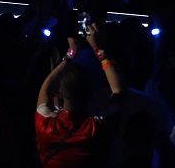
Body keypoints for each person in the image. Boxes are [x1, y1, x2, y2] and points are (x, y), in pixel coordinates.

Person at [34, 22, 123, 167]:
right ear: (91, 93)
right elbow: (118, 91)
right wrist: (97, 48)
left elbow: (46, 89)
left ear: (60, 92)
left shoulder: (46, 125)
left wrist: (71, 53)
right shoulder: (95, 128)